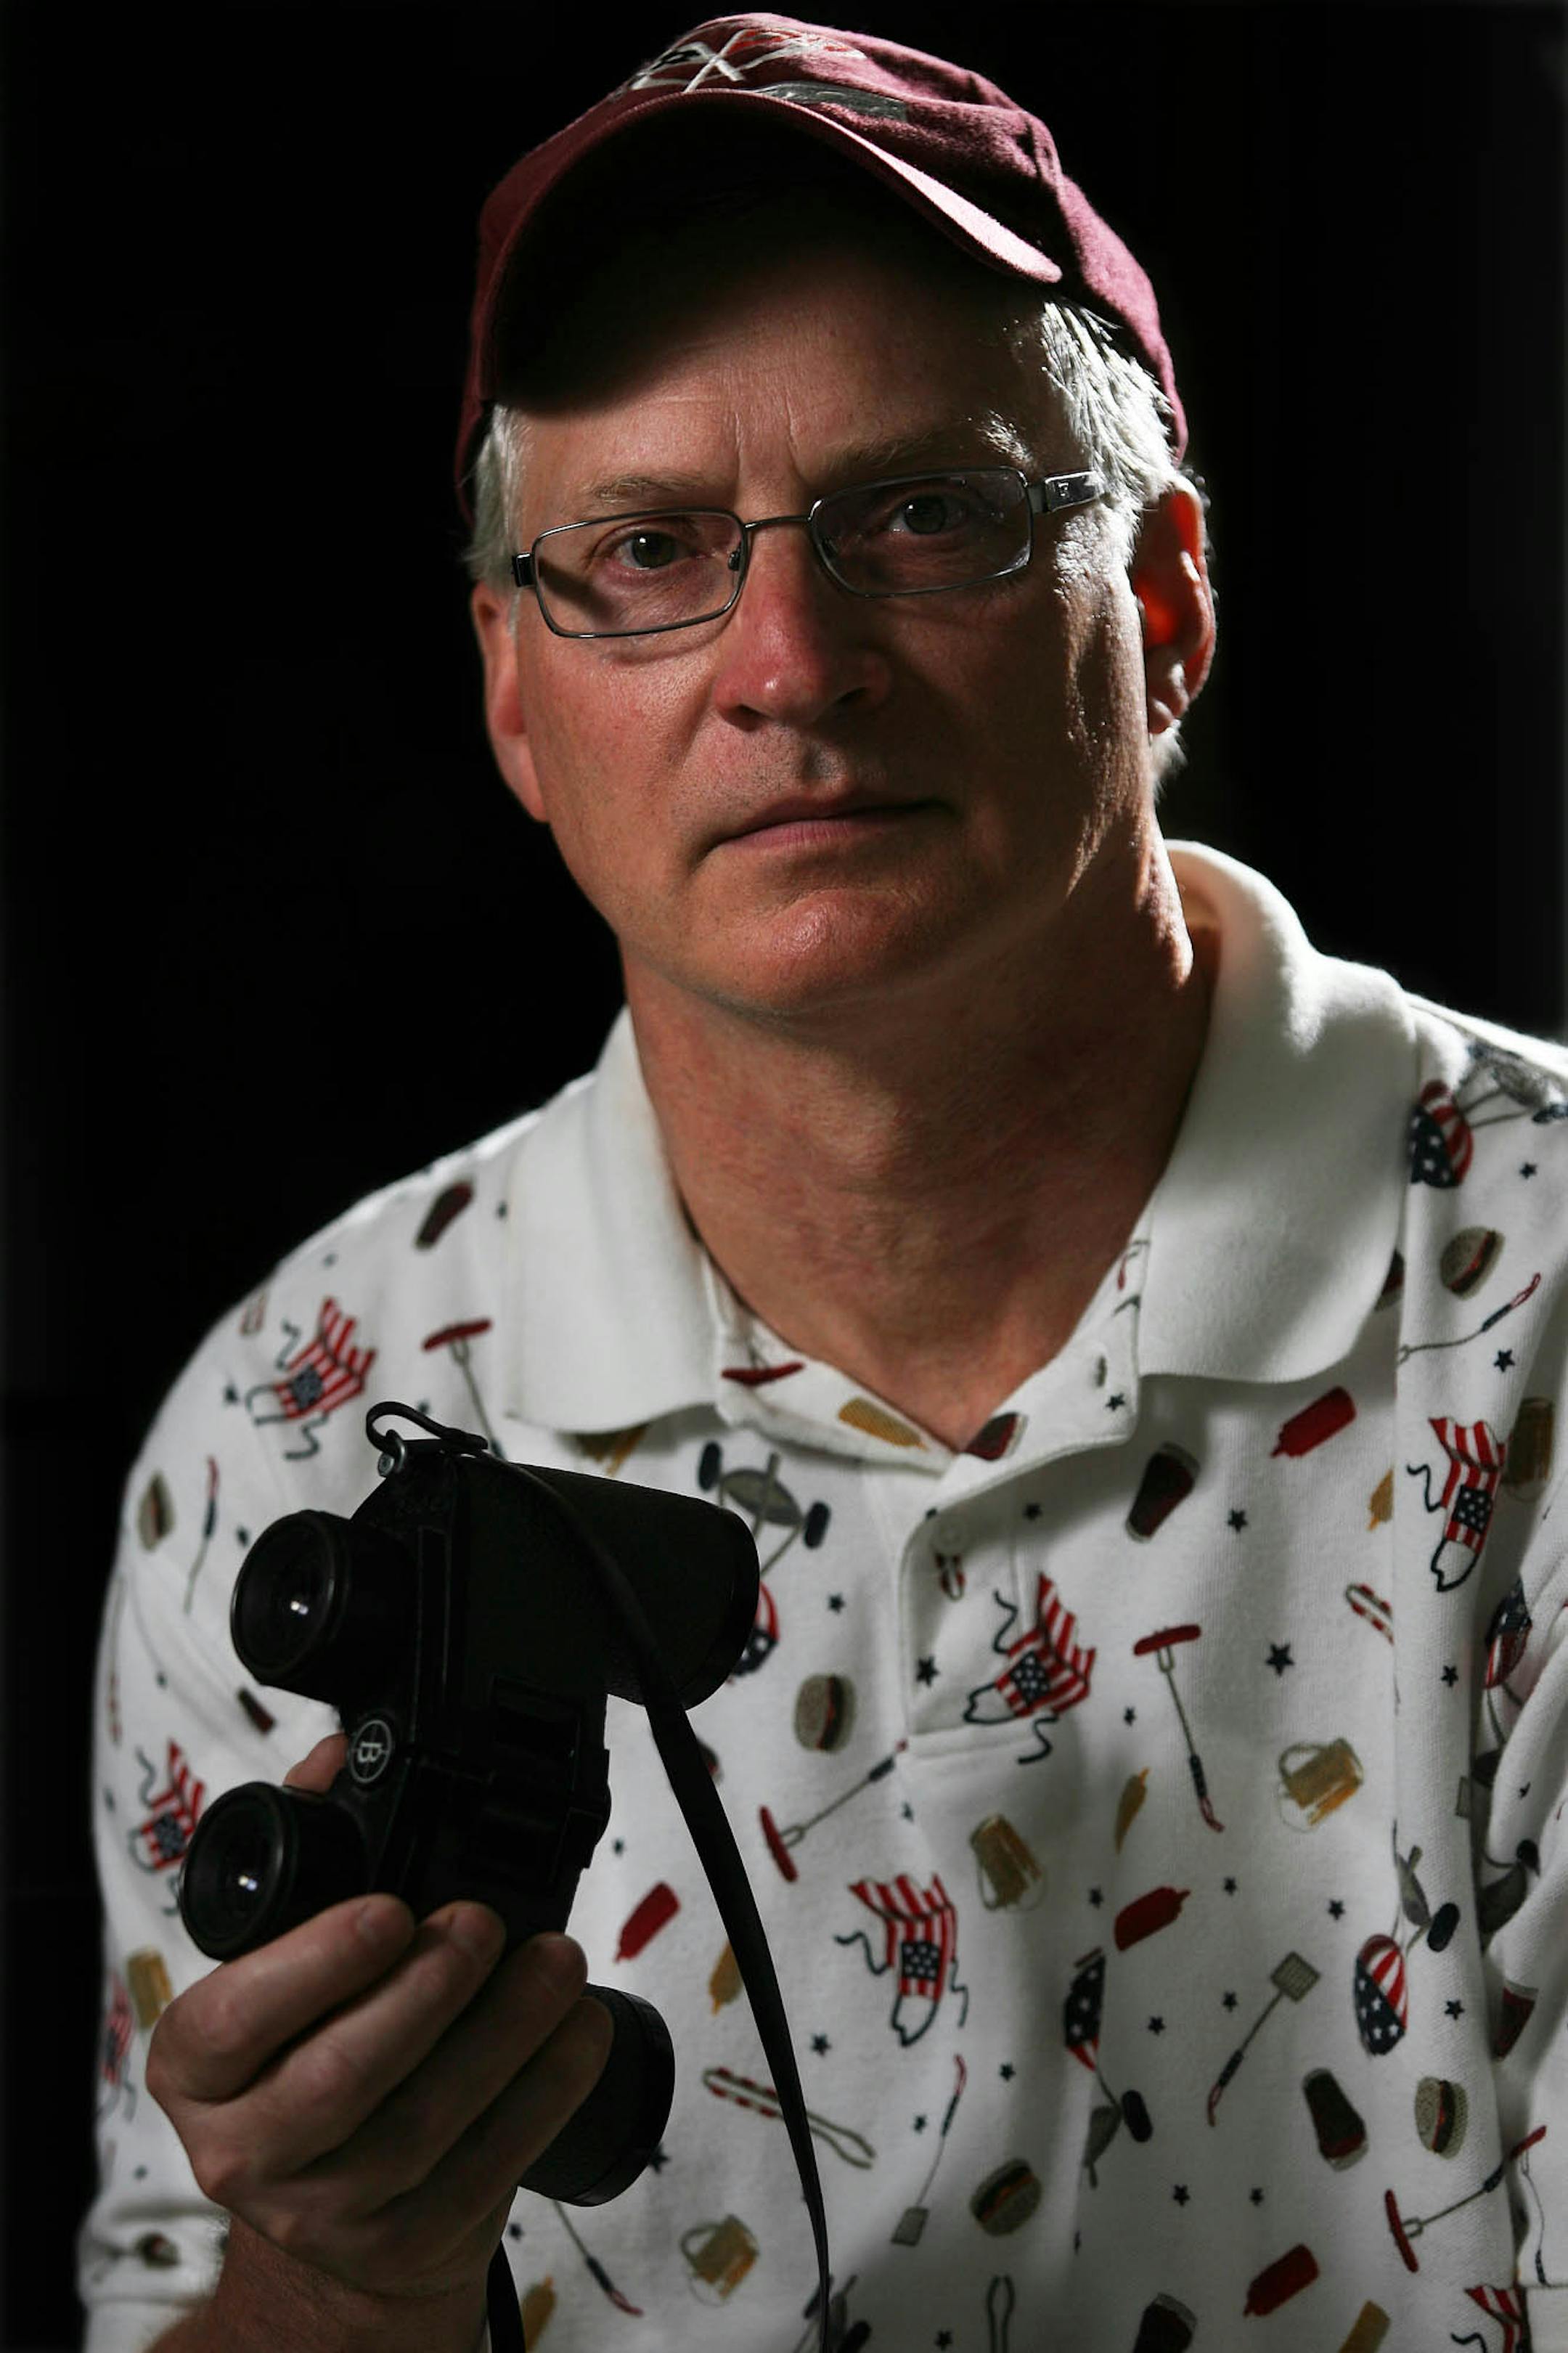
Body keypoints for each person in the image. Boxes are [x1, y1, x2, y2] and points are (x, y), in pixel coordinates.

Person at [78, 14, 1567, 2352]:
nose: (790, 660)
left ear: (1164, 604)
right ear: (510, 696)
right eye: (648, 550)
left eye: (924, 513)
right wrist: (336, 2268)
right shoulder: (303, 1406)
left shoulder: (1546, 1311)